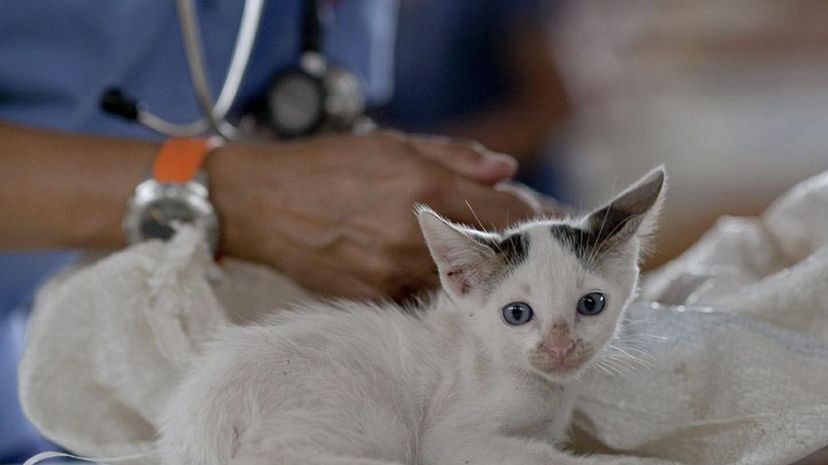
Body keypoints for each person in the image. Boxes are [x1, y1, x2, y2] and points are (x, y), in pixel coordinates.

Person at [0, 1, 545, 461]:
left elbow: (308, 118)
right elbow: (272, 188)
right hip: (49, 365)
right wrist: (237, 197)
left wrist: (407, 207)